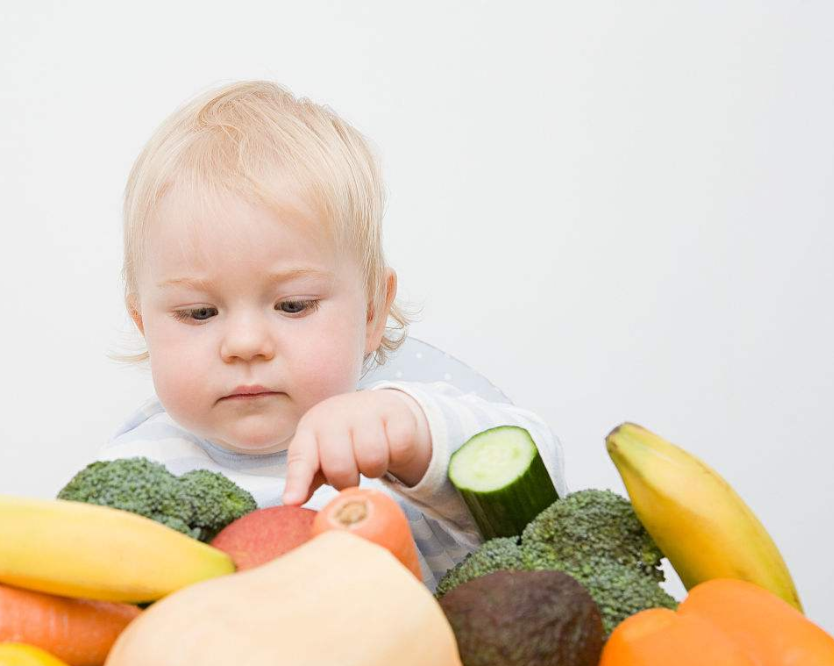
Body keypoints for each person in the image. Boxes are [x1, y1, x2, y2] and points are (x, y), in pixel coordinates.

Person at [97, 79, 566, 589]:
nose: (245, 344)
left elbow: (547, 499)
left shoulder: (394, 444)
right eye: (199, 313)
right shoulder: (132, 474)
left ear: (372, 314)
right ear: (144, 324)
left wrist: (414, 437)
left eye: (293, 305)